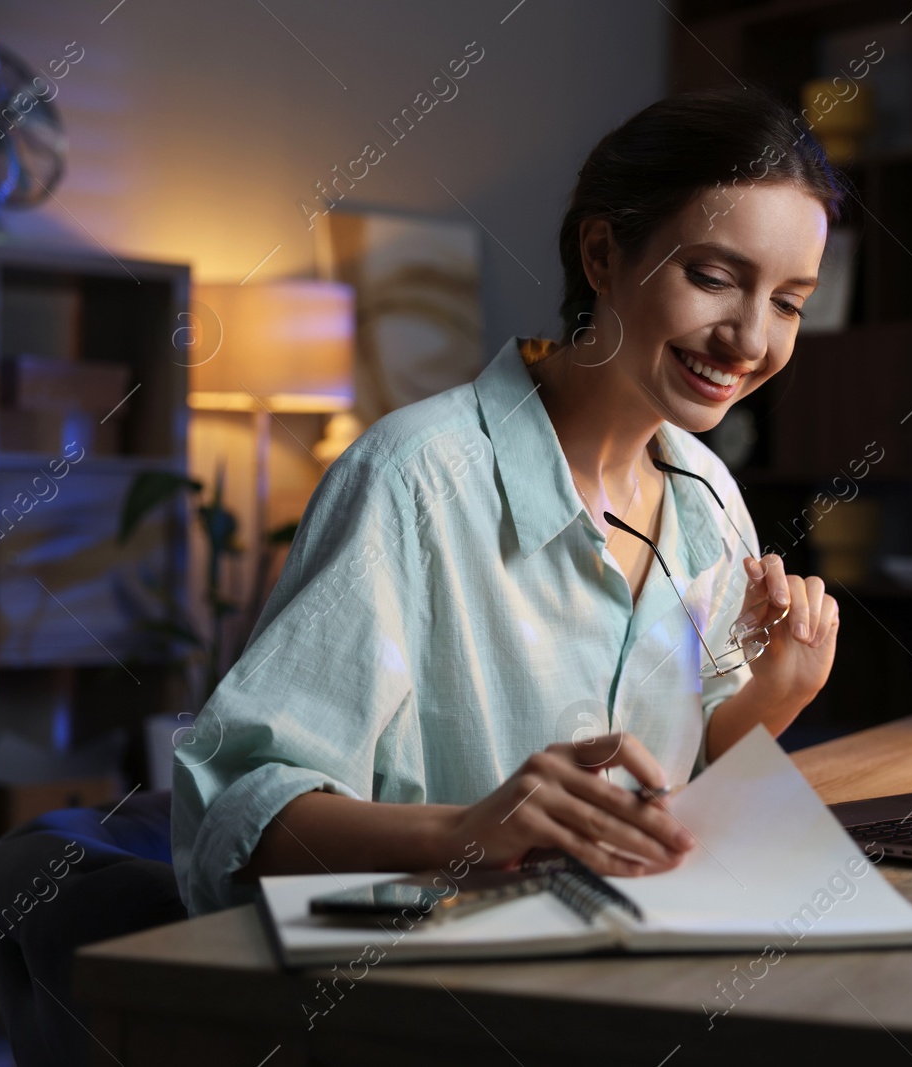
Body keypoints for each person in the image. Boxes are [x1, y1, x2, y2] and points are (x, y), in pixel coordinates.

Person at [172, 87, 844, 915]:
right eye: (713, 277)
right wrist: (461, 833)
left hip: (634, 973)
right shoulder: (413, 479)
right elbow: (233, 818)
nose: (749, 338)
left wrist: (770, 703)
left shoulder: (710, 500)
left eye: (787, 303)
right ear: (601, 255)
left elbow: (684, 790)